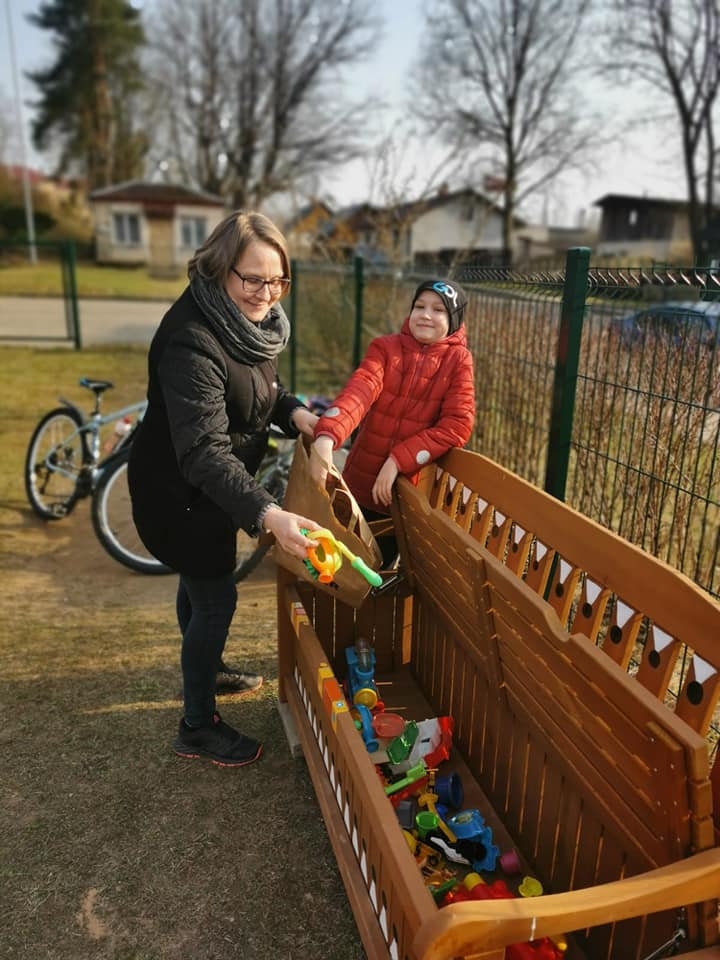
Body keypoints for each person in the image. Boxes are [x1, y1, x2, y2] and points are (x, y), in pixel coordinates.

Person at [128, 210, 321, 768]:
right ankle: (196, 724)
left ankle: (205, 669)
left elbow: (262, 392)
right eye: (253, 278)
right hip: (181, 494)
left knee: (199, 586)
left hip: (210, 490)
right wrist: (267, 513)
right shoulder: (193, 340)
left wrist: (297, 414)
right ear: (219, 268)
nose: (267, 293)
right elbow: (204, 451)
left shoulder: (248, 324)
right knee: (215, 597)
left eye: (278, 280)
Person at [310, 278, 476, 565]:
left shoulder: (458, 360)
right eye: (419, 306)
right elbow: (359, 392)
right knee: (345, 562)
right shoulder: (385, 348)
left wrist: (399, 459)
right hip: (360, 483)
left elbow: (457, 424)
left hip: (404, 494)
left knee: (382, 572)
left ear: (455, 320)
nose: (425, 314)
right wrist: (327, 436)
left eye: (439, 310)